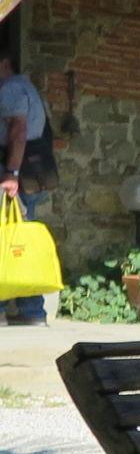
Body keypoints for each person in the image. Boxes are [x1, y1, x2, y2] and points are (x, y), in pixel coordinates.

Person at [0, 45, 59, 325]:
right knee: (18, 240)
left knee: (5, 238)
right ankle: (31, 311)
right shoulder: (26, 86)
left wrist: (10, 173)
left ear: (4, 63)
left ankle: (10, 309)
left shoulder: (9, 88)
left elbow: (18, 130)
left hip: (16, 170)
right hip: (32, 170)